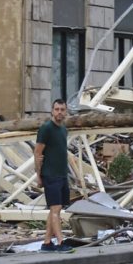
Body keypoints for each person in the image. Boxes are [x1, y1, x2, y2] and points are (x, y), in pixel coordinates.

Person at [35, 98, 73, 253]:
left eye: (62, 110)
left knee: (55, 209)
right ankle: (60, 242)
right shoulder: (46, 129)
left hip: (62, 174)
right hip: (50, 175)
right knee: (56, 208)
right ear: (52, 111)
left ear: (66, 111)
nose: (59, 112)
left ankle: (47, 243)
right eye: (57, 109)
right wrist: (38, 175)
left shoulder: (63, 130)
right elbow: (37, 153)